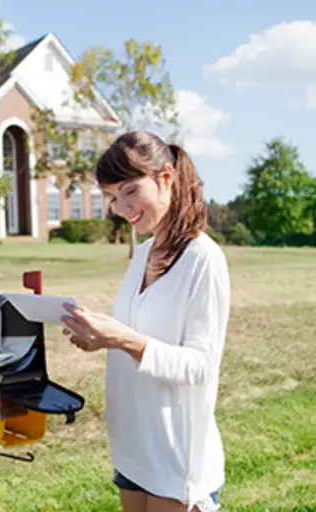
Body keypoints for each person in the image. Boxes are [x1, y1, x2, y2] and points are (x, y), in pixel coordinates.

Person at [60, 131, 231, 512]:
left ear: (165, 178)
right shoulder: (142, 254)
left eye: (130, 190)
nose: (121, 207)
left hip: (175, 454)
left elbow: (200, 367)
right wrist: (97, 338)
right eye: (112, 197)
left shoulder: (203, 259)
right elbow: (133, 335)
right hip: (132, 446)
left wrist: (121, 338)